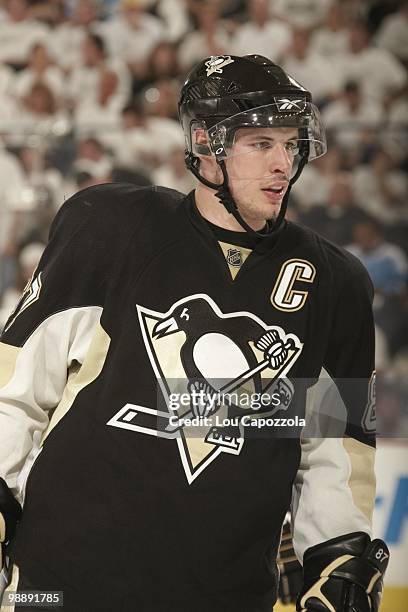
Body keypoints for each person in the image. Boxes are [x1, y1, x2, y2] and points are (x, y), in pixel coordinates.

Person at [0, 54, 389, 612]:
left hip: (223, 594)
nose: (284, 163)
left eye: (290, 143)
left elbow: (334, 448)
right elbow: (17, 390)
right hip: (58, 586)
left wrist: (335, 552)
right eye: (261, 144)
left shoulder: (336, 284)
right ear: (206, 143)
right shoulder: (109, 226)